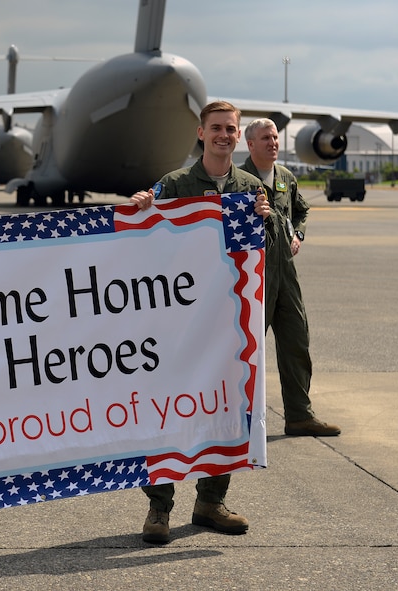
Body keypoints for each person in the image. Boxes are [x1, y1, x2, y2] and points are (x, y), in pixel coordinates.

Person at [130, 101, 271, 544]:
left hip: (227, 324)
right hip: (177, 322)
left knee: (225, 409)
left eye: (231, 129)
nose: (224, 135)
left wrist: (267, 220)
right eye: (217, 128)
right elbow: (143, 236)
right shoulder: (175, 184)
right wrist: (142, 208)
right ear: (200, 132)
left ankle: (211, 500)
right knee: (166, 410)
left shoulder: (251, 187)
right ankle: (159, 508)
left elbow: (271, 249)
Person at [240, 118, 341, 437]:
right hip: (252, 275)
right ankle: (234, 418)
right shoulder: (238, 181)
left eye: (275, 137)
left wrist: (298, 234)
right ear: (250, 143)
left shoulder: (285, 177)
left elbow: (301, 210)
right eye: (265, 138)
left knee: (297, 341)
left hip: (285, 272)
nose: (273, 142)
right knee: (244, 349)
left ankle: (299, 415)